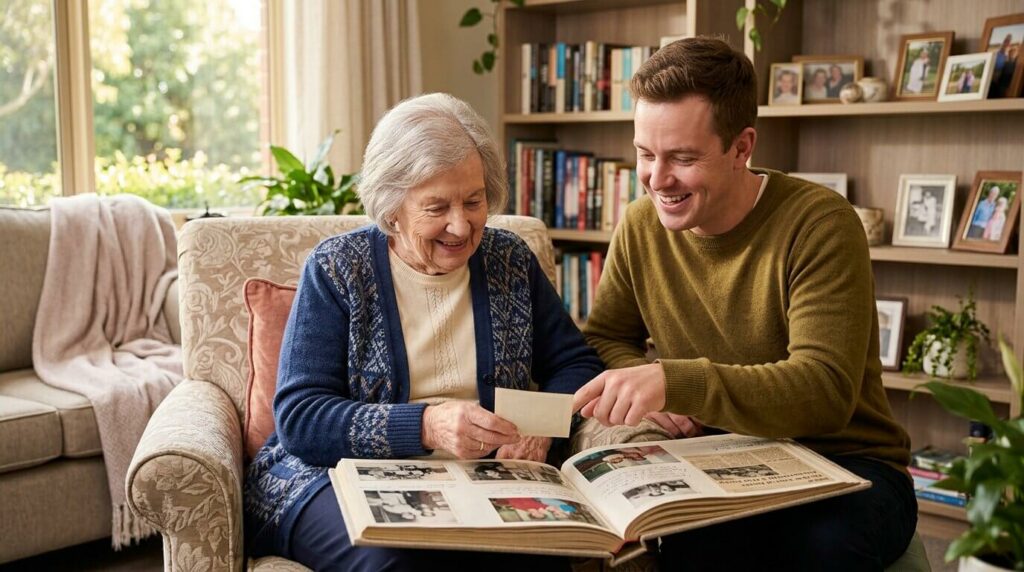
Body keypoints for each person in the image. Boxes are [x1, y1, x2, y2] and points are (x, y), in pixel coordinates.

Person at [571, 37, 914, 570]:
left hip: (850, 464)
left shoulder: (820, 223)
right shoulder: (641, 225)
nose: (657, 180)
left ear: (741, 147)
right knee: (690, 541)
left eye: (683, 158)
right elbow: (605, 336)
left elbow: (825, 390)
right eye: (645, 154)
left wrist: (675, 381)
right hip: (719, 460)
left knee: (817, 547)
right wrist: (651, 385)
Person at [243, 93, 603, 571]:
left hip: (481, 478)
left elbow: (576, 365)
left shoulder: (509, 260)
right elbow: (301, 417)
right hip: (329, 476)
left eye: (474, 201)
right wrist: (427, 425)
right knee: (394, 562)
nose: (461, 224)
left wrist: (540, 429)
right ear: (393, 208)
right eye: (437, 208)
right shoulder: (337, 269)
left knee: (538, 554)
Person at [991, 33, 1018, 97]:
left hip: (1002, 80)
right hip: (994, 78)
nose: (1006, 43)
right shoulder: (996, 53)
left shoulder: (1010, 54)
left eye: (1008, 42)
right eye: (1005, 41)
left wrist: (1009, 57)